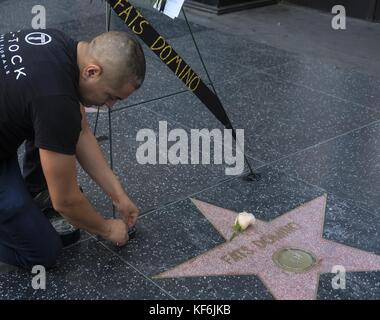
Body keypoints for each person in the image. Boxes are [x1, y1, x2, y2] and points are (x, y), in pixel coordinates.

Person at [0, 28, 145, 270]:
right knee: (42, 252)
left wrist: (118, 196)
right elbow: (65, 201)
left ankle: (33, 196)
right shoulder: (56, 99)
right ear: (92, 71)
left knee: (55, 124)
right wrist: (108, 229)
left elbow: (81, 132)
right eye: (112, 96)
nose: (109, 106)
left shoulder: (60, 44)